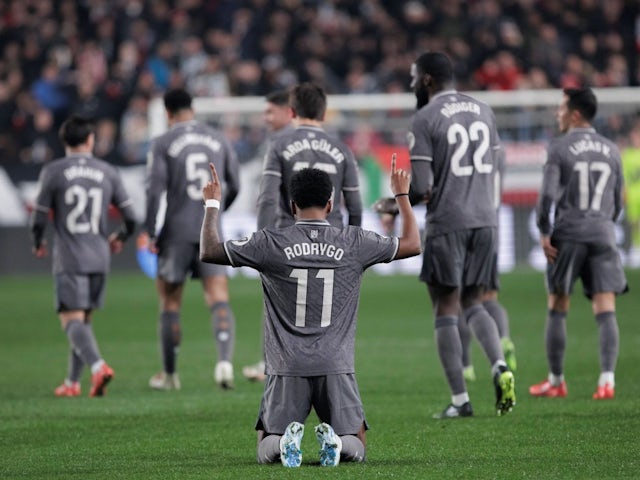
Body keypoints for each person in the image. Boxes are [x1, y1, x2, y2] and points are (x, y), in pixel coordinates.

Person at [200, 157, 421, 467]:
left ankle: (283, 444)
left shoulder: (270, 242)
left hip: (286, 366)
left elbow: (209, 250)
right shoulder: (354, 241)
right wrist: (402, 196)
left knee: (266, 444)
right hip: (335, 363)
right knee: (357, 443)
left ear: (292, 206)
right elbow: (412, 244)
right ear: (330, 205)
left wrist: (212, 203)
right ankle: (338, 443)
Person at [407, 51, 515, 417]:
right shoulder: (485, 110)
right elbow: (498, 166)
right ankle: (499, 364)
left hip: (449, 221)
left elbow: (421, 188)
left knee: (445, 308)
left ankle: (460, 401)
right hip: (486, 219)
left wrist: (395, 205)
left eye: (413, 78)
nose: (410, 85)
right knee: (475, 302)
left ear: (426, 80)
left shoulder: (424, 118)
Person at [529, 87, 627, 400]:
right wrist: (605, 225)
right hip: (602, 233)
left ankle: (556, 381)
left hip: (569, 233)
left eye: (560, 109)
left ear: (574, 114)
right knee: (606, 308)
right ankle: (607, 382)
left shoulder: (559, 148)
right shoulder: (612, 149)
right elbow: (617, 199)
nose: (557, 114)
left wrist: (544, 231)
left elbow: (546, 196)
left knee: (558, 304)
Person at [30, 114, 137, 397]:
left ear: (64, 140)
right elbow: (132, 217)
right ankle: (72, 383)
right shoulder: (108, 171)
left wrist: (38, 241)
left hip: (70, 256)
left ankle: (98, 366)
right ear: (90, 140)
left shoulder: (53, 171)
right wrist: (120, 238)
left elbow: (39, 217)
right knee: (83, 322)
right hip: (100, 256)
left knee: (71, 321)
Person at [144, 88, 240, 391]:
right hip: (209, 229)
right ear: (192, 108)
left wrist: (150, 230)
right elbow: (234, 183)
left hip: (175, 231)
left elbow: (154, 190)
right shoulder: (218, 138)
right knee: (218, 296)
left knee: (170, 301)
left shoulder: (162, 142)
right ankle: (224, 362)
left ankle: (171, 375)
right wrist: (217, 211)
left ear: (168, 112)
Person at [255, 82, 363, 230]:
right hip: (332, 239)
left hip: (290, 239)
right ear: (324, 114)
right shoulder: (343, 150)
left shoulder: (279, 146)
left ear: (292, 112)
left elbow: (268, 199)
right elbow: (354, 205)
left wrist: (262, 241)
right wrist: (353, 242)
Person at [242, 88, 294, 383]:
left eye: (270, 112)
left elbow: (269, 196)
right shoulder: (313, 142)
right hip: (318, 230)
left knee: (277, 301)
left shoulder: (279, 143)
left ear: (288, 112)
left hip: (285, 232)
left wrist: (263, 236)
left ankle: (271, 363)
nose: (265, 118)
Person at [459, 150, 517, 382]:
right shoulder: (497, 152)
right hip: (492, 226)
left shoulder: (466, 148)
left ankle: (465, 365)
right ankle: (503, 338)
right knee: (489, 297)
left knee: (462, 301)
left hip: (467, 225)